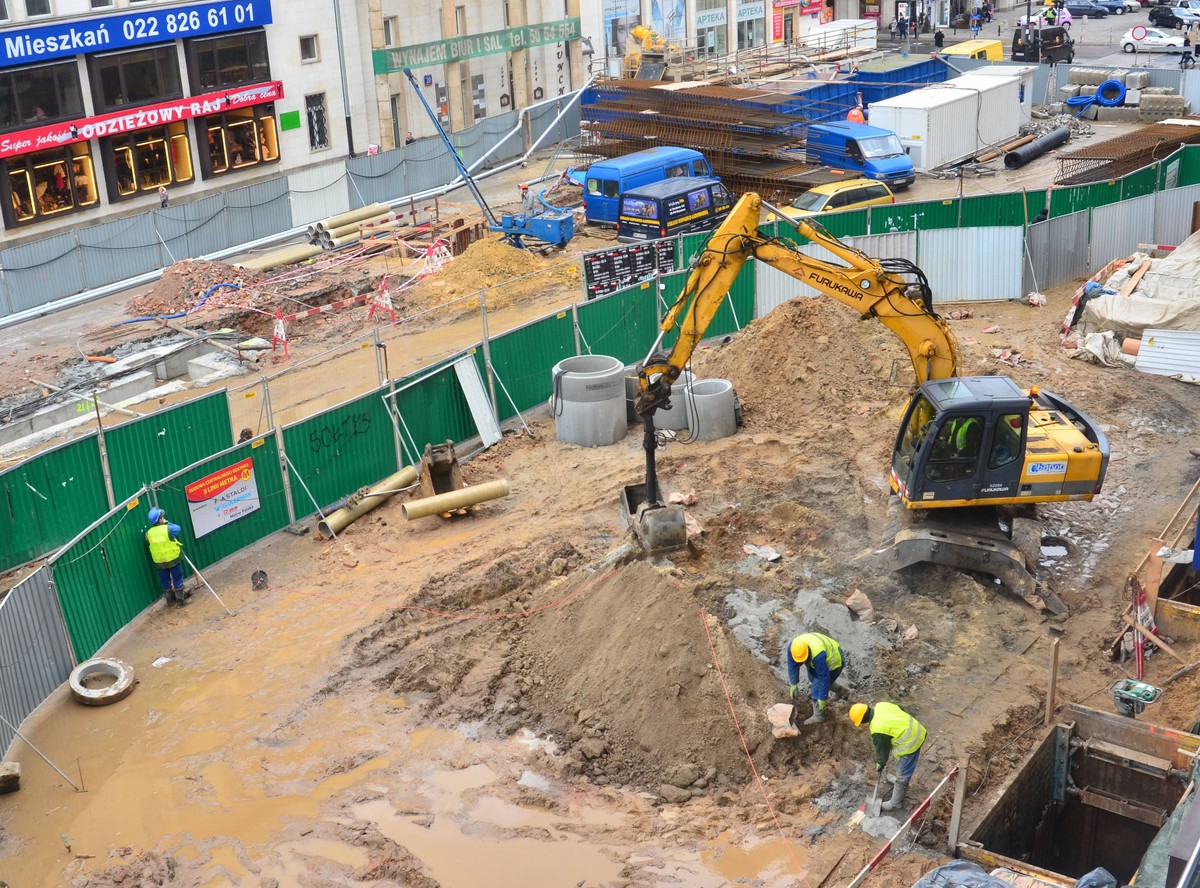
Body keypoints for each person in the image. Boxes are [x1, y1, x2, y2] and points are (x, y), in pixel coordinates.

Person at [849, 701, 927, 811]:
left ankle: (895, 802)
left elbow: (882, 751)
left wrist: (880, 763)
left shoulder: (877, 728)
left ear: (862, 720)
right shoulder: (881, 705)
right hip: (917, 728)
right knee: (902, 767)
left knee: (903, 773)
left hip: (911, 742)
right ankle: (899, 784)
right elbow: (900, 707)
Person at [786, 633, 850, 726]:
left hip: (835, 661)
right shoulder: (793, 648)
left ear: (807, 652)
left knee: (817, 688)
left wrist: (822, 697)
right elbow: (792, 665)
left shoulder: (818, 656)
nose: (801, 663)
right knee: (813, 678)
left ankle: (818, 716)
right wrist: (794, 683)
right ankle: (842, 692)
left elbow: (824, 677)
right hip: (823, 653)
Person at [146, 507, 190, 606]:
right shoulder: (168, 528)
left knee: (165, 581)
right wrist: (166, 523)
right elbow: (178, 528)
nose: (163, 517)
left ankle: (170, 602)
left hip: (159, 561)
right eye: (162, 516)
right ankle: (180, 602)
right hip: (172, 559)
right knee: (177, 578)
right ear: (160, 519)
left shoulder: (148, 533)